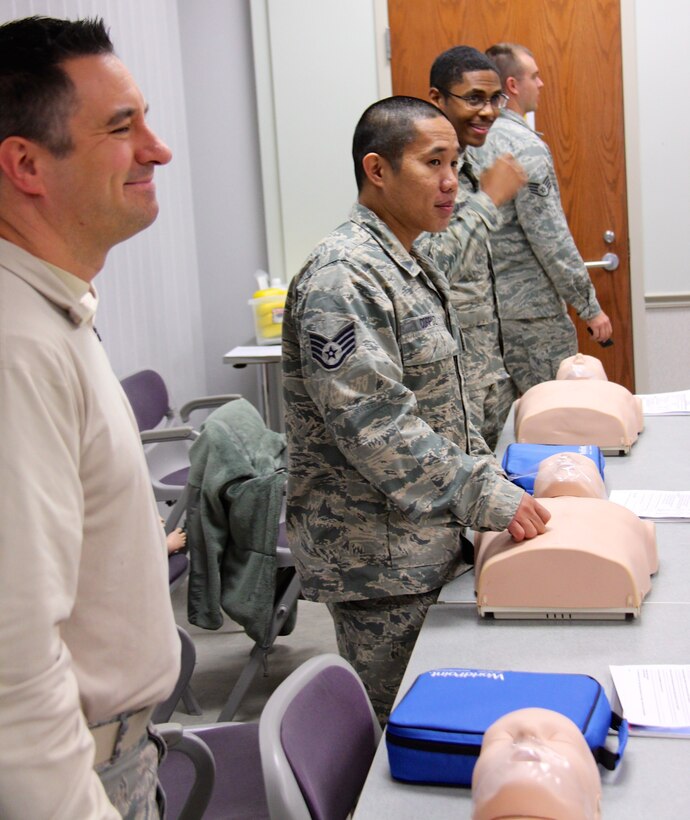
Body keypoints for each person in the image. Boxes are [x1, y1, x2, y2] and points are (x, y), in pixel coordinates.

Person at [282, 96, 550, 723]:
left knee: (449, 719)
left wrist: (487, 481)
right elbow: (375, 426)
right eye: (434, 162)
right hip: (382, 559)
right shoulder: (344, 277)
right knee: (405, 743)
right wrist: (484, 494)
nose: (452, 180)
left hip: (427, 539)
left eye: (457, 162)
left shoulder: (407, 256)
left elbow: (439, 403)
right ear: (377, 170)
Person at [0, 16, 180, 818]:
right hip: (74, 778)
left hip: (120, 750)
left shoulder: (53, 313)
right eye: (121, 127)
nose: (157, 148)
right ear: (26, 164)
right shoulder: (15, 346)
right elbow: (12, 662)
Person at [474, 43, 612, 394]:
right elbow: (550, 238)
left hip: (482, 315)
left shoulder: (470, 141)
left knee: (503, 423)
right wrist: (590, 307)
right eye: (534, 76)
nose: (542, 83)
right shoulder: (524, 146)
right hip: (532, 316)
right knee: (555, 416)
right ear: (513, 85)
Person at [418, 45, 526, 450]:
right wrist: (490, 200)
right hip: (448, 378)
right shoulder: (422, 172)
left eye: (495, 99)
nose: (489, 112)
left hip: (486, 369)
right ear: (437, 99)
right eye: (474, 99)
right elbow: (431, 267)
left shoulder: (468, 166)